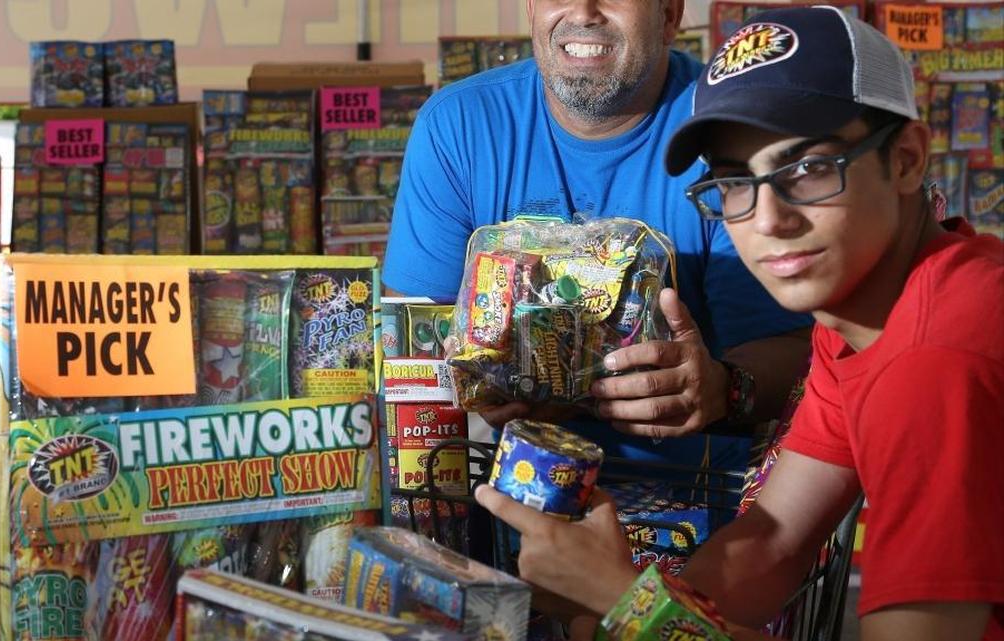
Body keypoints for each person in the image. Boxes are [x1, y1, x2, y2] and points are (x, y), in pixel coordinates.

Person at [475, 6, 1004, 640]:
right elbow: (768, 546)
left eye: (808, 169)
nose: (768, 220)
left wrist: (619, 596)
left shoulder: (935, 354)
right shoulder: (859, 315)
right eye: (733, 182)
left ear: (907, 161)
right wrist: (605, 612)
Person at [383, 0, 812, 469]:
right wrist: (472, 376)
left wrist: (724, 387)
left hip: (698, 485)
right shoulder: (458, 126)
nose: (584, 12)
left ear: (669, 16)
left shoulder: (729, 129)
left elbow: (796, 348)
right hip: (513, 478)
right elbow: (414, 342)